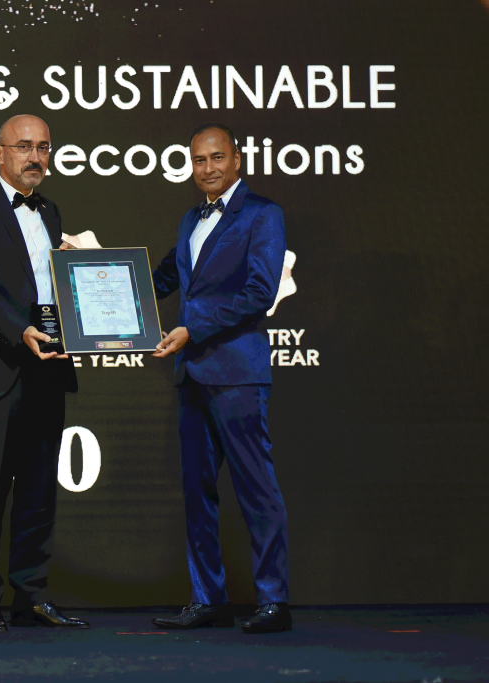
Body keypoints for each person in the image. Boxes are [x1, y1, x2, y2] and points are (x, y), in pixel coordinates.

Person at [0, 115, 88, 633]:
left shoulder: (50, 211)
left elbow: (43, 286)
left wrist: (72, 273)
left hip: (48, 365)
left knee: (38, 489)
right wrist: (20, 330)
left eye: (43, 147)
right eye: (24, 146)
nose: (35, 156)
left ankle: (32, 594)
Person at [150, 123, 291, 634]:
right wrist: (93, 272)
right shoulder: (191, 218)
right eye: (198, 160)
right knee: (198, 492)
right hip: (192, 374)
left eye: (216, 157)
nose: (207, 168)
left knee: (256, 489)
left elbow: (260, 292)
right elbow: (164, 277)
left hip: (236, 372)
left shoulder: (263, 214)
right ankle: (207, 598)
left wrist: (193, 328)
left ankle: (273, 601)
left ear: (237, 160)